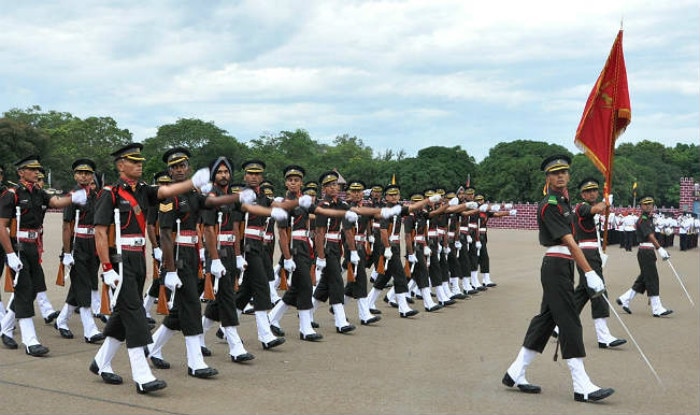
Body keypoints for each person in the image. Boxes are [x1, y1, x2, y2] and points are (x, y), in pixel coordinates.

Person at [89, 143, 210, 393]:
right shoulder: (110, 193)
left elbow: (166, 191)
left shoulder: (143, 191)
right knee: (134, 315)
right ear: (121, 165)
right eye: (133, 161)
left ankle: (101, 362)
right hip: (120, 260)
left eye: (140, 160)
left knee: (124, 315)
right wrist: (107, 266)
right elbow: (100, 232)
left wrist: (191, 183)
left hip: (137, 258)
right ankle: (142, 376)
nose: (139, 164)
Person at [502, 154, 614, 403]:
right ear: (548, 177)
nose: (560, 176)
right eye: (555, 173)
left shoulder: (564, 202)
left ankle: (515, 372)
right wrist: (590, 272)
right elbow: (570, 242)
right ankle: (581, 384)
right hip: (556, 265)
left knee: (545, 321)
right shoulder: (551, 204)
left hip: (563, 266)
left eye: (564, 172)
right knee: (570, 321)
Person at [0, 156, 88, 356]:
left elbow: (56, 201)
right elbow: (1, 226)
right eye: (31, 169)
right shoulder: (11, 195)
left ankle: (5, 328)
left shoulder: (39, 193)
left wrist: (73, 197)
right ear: (20, 172)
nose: (36, 173)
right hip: (19, 247)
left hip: (33, 247)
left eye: (38, 169)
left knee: (32, 291)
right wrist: (10, 254)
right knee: (23, 291)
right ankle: (30, 341)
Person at [199, 157, 255, 362]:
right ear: (214, 175)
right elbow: (208, 230)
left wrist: (239, 255)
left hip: (230, 250)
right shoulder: (210, 197)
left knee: (222, 297)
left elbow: (235, 229)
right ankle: (235, 346)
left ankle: (198, 338)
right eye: (220, 172)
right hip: (217, 252)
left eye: (226, 172)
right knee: (227, 298)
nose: (224, 175)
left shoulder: (232, 197)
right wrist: (214, 258)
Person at [563, 178, 626, 349]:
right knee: (599, 293)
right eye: (588, 191)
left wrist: (605, 205)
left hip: (592, 253)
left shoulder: (588, 208)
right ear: (582, 194)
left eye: (594, 191)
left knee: (582, 294)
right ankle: (603, 336)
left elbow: (600, 212)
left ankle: (558, 326)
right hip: (587, 254)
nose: (592, 193)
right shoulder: (581, 207)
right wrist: (606, 202)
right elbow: (597, 209)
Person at [53, 158, 105, 344]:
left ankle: (61, 320)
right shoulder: (72, 196)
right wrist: (67, 253)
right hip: (78, 243)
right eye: (80, 173)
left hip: (94, 243)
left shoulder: (97, 195)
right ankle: (89, 329)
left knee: (83, 283)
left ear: (92, 175)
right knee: (83, 284)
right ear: (75, 175)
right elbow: (67, 226)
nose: (84, 176)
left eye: (88, 173)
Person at [616, 196, 673, 317]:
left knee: (643, 279)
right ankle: (656, 308)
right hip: (646, 250)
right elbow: (650, 236)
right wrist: (660, 249)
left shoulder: (649, 218)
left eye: (650, 204)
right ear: (641, 206)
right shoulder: (643, 219)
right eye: (645, 204)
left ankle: (624, 299)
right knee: (652, 278)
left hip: (648, 251)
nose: (648, 206)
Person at [142, 171, 172, 327]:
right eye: (161, 183)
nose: (164, 186)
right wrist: (156, 247)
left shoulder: (173, 199)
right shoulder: (154, 202)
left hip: (173, 243)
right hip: (161, 244)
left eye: (167, 183)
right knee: (161, 278)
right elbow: (150, 225)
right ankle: (145, 308)